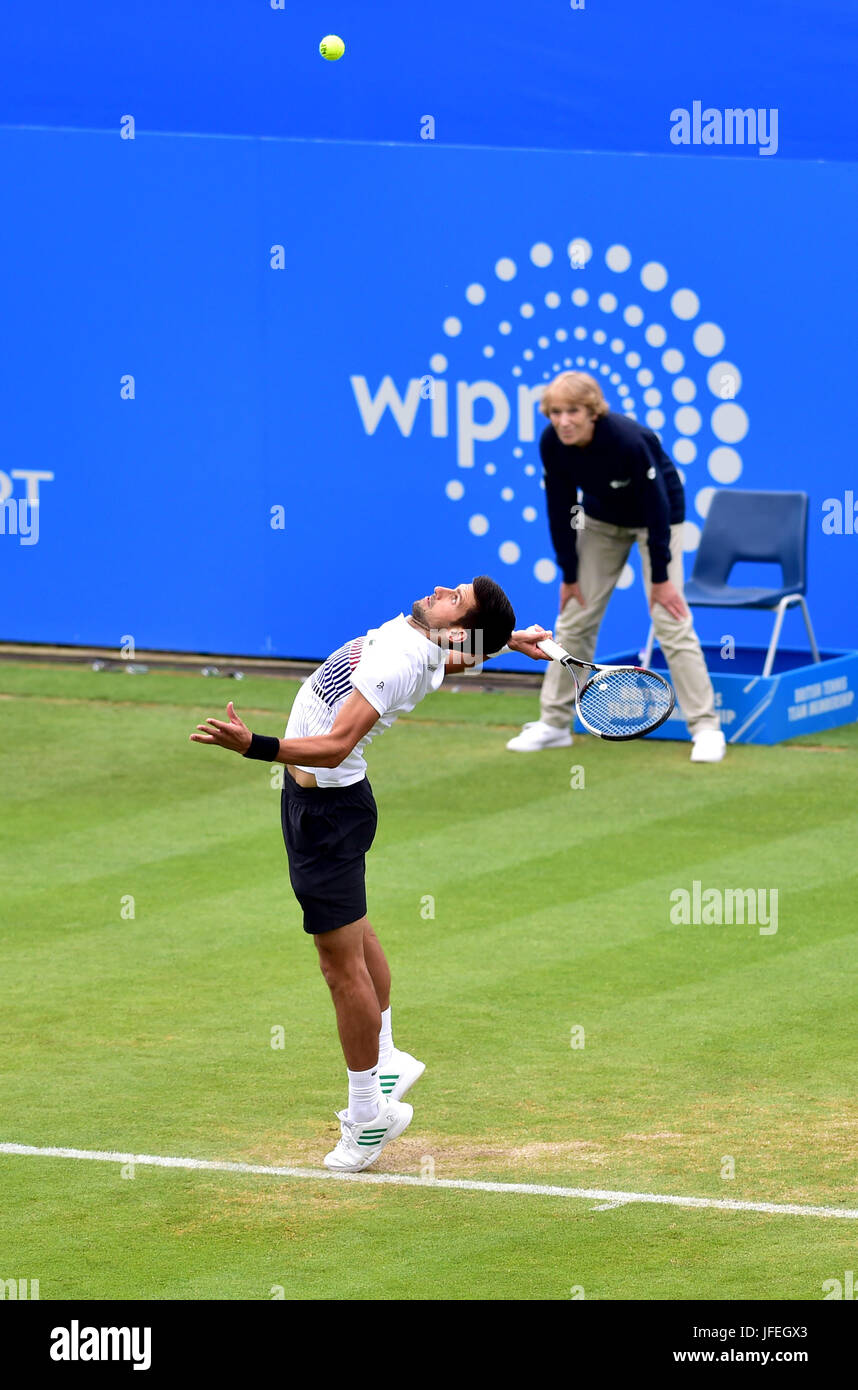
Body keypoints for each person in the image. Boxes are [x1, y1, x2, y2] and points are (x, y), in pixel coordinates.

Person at [190, 577, 552, 1171]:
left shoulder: (405, 654)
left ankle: (368, 1117)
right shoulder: (421, 642)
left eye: (454, 597)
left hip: (328, 811)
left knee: (339, 965)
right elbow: (445, 663)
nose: (440, 589)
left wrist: (252, 744)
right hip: (321, 805)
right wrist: (507, 641)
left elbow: (333, 745)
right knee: (353, 935)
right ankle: (388, 1060)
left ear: (456, 626)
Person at [507, 372, 726, 763]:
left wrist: (661, 579)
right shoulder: (552, 443)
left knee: (670, 619)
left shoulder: (628, 439)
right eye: (555, 412)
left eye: (573, 411)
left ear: (593, 411)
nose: (563, 421)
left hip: (658, 520)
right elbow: (559, 507)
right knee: (574, 618)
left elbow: (658, 508)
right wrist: (569, 574)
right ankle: (555, 724)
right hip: (601, 522)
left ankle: (706, 728)